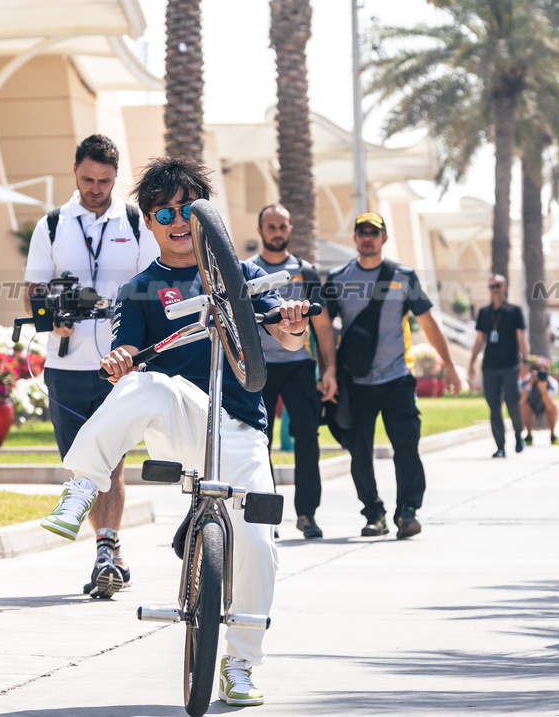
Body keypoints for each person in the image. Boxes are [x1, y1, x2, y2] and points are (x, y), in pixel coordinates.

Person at [39, 156, 310, 707]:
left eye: (188, 209)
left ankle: (241, 664)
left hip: (239, 428)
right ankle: (83, 485)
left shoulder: (243, 274)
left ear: (206, 214)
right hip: (181, 419)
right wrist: (120, 360)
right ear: (149, 221)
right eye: (164, 213)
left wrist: (294, 324)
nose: (178, 220)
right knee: (145, 387)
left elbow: (287, 339)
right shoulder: (140, 288)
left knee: (258, 544)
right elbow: (129, 354)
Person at [23, 134, 159, 599]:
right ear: (74, 172)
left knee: (112, 462)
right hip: (65, 367)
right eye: (87, 179)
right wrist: (51, 318)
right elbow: (34, 290)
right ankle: (110, 551)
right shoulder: (54, 224)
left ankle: (106, 548)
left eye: (104, 181)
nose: (96, 188)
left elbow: (150, 288)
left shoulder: (137, 223)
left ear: (115, 177)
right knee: (81, 465)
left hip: (119, 367)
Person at [323, 211, 462, 538]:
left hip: (398, 378)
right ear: (355, 238)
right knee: (359, 452)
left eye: (374, 232)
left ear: (385, 238)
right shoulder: (338, 279)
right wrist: (328, 370)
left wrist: (451, 367)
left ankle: (407, 511)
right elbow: (324, 327)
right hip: (355, 382)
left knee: (407, 446)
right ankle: (374, 514)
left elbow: (428, 322)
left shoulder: (404, 276)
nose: (367, 237)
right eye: (362, 232)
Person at [246, 204, 337, 539]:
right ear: (260, 231)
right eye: (270, 226)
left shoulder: (305, 270)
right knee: (259, 442)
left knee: (308, 441)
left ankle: (307, 515)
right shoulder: (247, 270)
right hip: (260, 368)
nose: (277, 231)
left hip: (299, 366)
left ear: (289, 229)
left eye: (282, 226)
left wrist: (330, 372)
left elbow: (324, 327)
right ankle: (268, 518)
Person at [468, 275, 528, 457]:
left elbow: (521, 338)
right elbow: (479, 340)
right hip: (490, 365)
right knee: (494, 406)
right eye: (492, 285)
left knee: (512, 402)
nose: (495, 288)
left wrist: (525, 361)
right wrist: (471, 363)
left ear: (505, 287)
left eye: (498, 285)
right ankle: (500, 446)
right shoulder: (484, 312)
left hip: (510, 364)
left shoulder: (514, 311)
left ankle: (518, 434)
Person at [518, 360, 559, 446]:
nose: (539, 374)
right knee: (524, 405)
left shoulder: (551, 382)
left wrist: (543, 389)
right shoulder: (526, 381)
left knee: (554, 405)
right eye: (536, 370)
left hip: (545, 417)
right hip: (531, 417)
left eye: (542, 370)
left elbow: (549, 405)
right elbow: (521, 401)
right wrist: (529, 384)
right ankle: (528, 436)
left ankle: (553, 435)